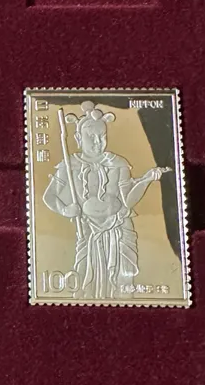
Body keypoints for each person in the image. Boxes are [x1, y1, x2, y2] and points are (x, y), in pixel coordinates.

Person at [42, 101, 168, 300]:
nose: (97, 142)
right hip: (88, 231)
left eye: (102, 136)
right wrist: (65, 210)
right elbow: (49, 197)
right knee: (86, 279)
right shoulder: (69, 165)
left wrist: (145, 181)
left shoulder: (118, 164)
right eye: (91, 137)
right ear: (78, 138)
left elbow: (127, 201)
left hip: (119, 229)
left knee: (123, 280)